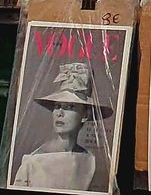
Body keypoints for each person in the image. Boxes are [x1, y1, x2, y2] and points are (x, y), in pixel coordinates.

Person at [13, 61, 111, 190]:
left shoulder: (90, 161)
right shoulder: (32, 161)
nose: (60, 113)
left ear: (85, 115)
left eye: (70, 107)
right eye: (57, 106)